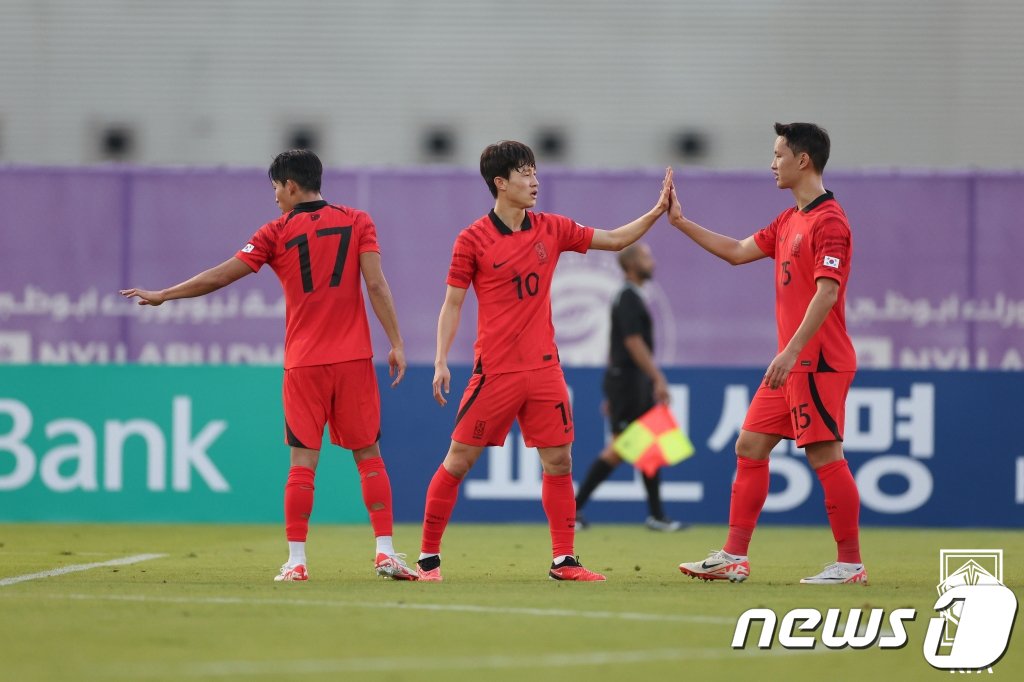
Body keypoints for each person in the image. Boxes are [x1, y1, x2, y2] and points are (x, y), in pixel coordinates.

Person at [121, 149, 418, 582]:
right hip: (353, 357)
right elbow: (375, 283)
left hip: (304, 363)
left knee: (302, 462)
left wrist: (165, 293)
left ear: (291, 186)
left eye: (276, 188)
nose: (275, 196)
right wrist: (396, 342)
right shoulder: (358, 220)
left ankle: (297, 561)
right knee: (369, 456)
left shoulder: (276, 232)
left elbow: (222, 275)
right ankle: (385, 552)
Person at [417, 140, 673, 582]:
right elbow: (453, 304)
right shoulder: (471, 239)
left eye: (535, 172)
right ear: (501, 182)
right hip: (495, 371)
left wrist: (654, 213)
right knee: (459, 460)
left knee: (560, 462)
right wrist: (441, 360)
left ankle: (564, 560)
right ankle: (427, 561)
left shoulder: (552, 228)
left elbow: (612, 241)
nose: (535, 181)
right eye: (525, 173)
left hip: (543, 369)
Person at [669, 123, 866, 585]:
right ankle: (733, 556)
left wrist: (792, 350)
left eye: (778, 154)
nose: (772, 162)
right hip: (791, 362)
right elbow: (737, 251)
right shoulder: (788, 219)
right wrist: (680, 222)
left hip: (817, 360)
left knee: (824, 454)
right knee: (750, 445)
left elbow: (827, 293)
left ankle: (851, 564)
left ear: (804, 160)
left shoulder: (830, 221)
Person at [573, 242, 686, 532]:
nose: (653, 262)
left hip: (627, 382)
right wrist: (656, 377)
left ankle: (656, 516)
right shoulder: (628, 298)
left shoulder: (634, 296)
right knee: (620, 450)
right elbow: (632, 343)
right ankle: (571, 512)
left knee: (649, 444)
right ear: (633, 264)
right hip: (628, 381)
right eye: (647, 257)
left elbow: (618, 346)